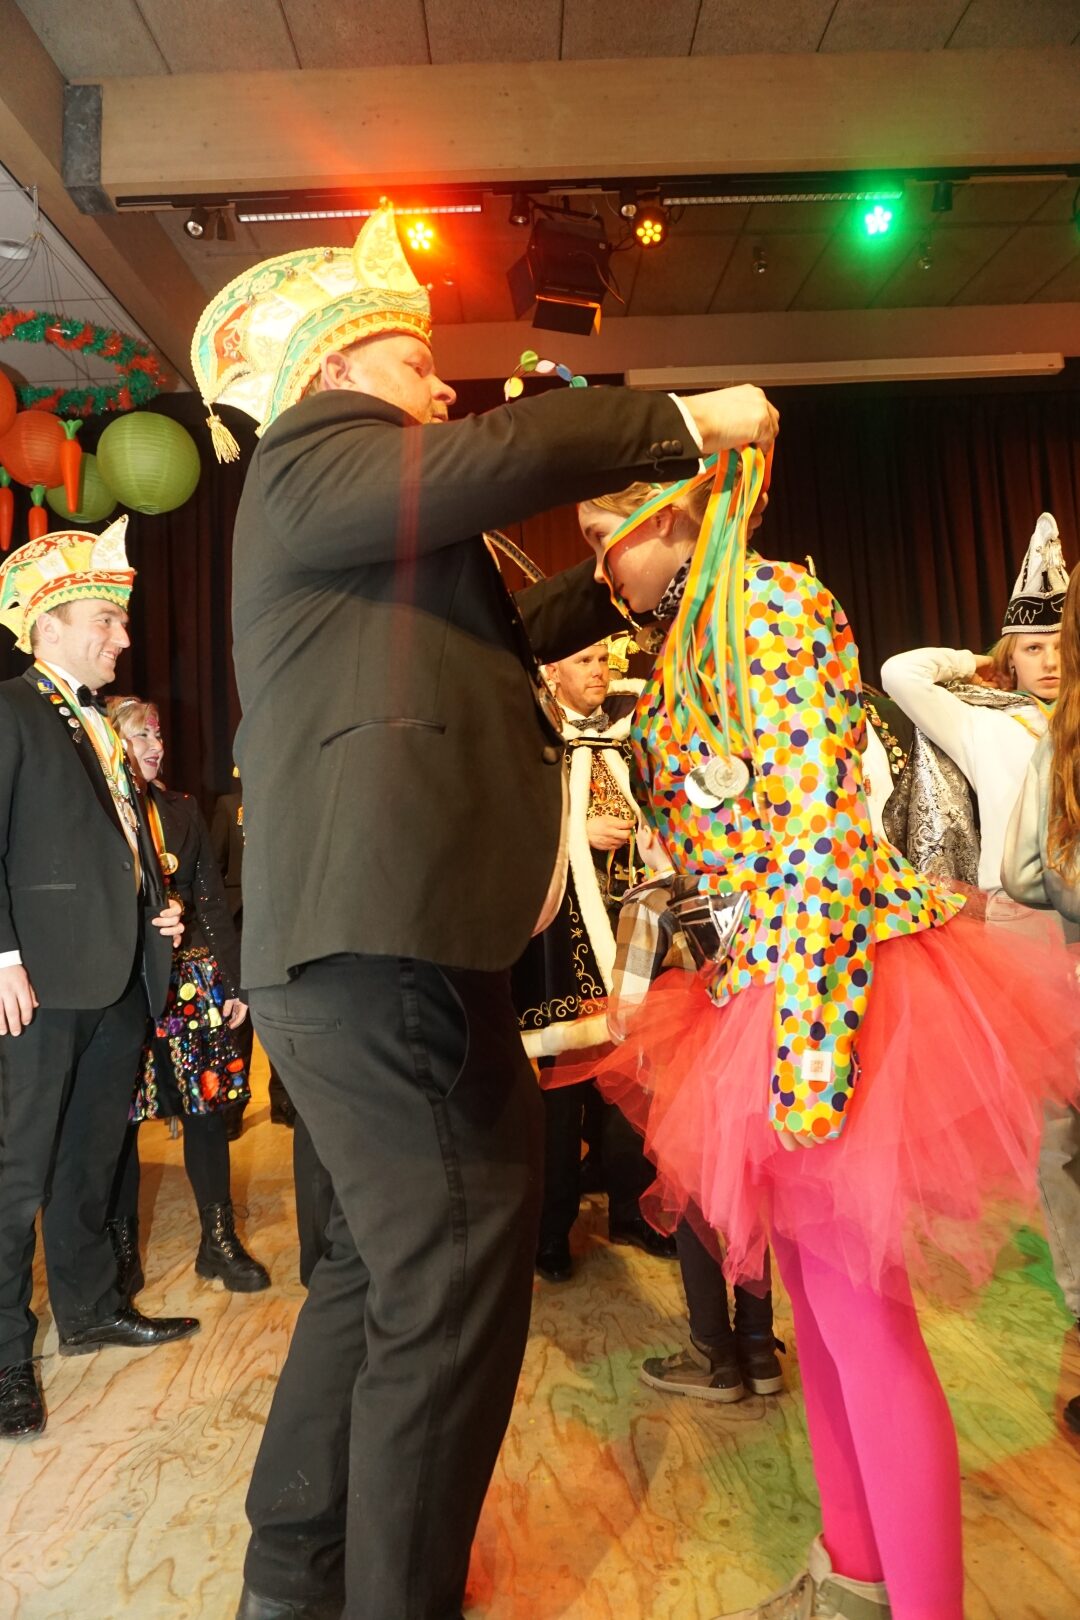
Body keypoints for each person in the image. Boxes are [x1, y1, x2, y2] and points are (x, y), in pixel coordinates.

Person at [190, 199, 779, 1620]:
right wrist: (681, 422)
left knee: (383, 1274)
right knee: (452, 1279)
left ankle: (299, 1573)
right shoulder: (313, 455)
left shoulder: (346, 529)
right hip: (384, 941)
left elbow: (482, 652)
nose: (442, 387)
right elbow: (504, 454)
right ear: (335, 373)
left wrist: (614, 586)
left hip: (373, 943)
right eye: (414, 361)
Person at [574, 459, 1078, 1620]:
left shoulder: (771, 604)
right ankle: (854, 1568)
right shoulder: (692, 635)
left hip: (830, 995)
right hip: (770, 988)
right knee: (824, 1314)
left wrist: (809, 1058)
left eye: (611, 534)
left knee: (865, 1322)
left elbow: (820, 847)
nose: (601, 564)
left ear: (680, 512)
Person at [0, 519, 199, 1442]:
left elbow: (115, 841)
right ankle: (6, 1355)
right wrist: (2, 958)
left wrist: (159, 904)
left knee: (91, 1159)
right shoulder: (9, 710)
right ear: (49, 626)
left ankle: (87, 1310)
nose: (123, 636)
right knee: (17, 1173)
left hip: (120, 976)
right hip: (38, 986)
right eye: (106, 621)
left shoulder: (105, 727)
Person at [513, 637, 677, 1281]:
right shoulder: (535, 735)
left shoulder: (621, 738)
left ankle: (631, 1212)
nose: (601, 672)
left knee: (633, 1078)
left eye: (604, 660)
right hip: (566, 938)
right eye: (585, 661)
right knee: (564, 1087)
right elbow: (508, 820)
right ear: (552, 670)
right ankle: (550, 1232)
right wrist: (574, 832)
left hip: (629, 927)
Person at [106, 696, 269, 1296]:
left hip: (191, 981)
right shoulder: (97, 811)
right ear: (111, 745)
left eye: (158, 736)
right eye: (140, 736)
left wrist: (235, 979)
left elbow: (211, 900)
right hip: (123, 986)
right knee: (121, 1120)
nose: (156, 746)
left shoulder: (182, 808)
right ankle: (122, 1251)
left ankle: (218, 1243)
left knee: (206, 1111)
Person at [1001, 562, 1080, 1438]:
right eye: (1032, 645)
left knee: (1062, 1141)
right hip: (1054, 978)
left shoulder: (1064, 736)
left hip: (1072, 961)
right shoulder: (1001, 717)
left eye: (1061, 640)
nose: (1050, 659)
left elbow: (1021, 872)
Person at [212, 770, 296, 1130]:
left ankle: (284, 1101)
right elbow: (214, 867)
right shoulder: (229, 806)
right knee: (238, 1019)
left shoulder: (288, 805)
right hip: (241, 926)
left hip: (280, 925)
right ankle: (233, 1106)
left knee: (281, 1014)